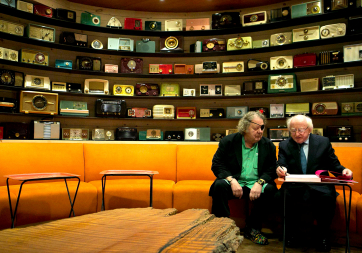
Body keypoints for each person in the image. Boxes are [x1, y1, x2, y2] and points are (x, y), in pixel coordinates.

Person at [276, 115, 353, 252]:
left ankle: (323, 236)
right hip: (295, 185)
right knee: (281, 196)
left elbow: (333, 164)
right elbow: (281, 164)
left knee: (327, 198)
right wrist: (281, 169)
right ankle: (292, 234)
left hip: (319, 185)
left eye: (301, 130)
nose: (297, 134)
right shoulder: (284, 145)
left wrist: (344, 170)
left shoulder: (323, 142)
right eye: (292, 130)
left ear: (310, 129)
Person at [209, 111, 278, 245]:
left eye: (262, 127)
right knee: (219, 186)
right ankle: (222, 227)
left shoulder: (267, 145)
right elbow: (217, 165)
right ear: (245, 128)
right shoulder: (228, 141)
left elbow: (272, 168)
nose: (260, 131)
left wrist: (260, 182)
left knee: (270, 190)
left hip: (255, 183)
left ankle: (252, 228)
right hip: (234, 181)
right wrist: (231, 180)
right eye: (256, 128)